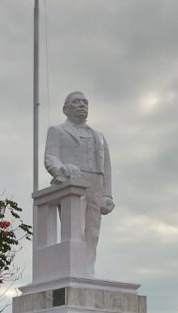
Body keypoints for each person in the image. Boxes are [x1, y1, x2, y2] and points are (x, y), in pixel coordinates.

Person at [44, 91, 114, 274]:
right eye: (76, 102)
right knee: (76, 231)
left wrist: (107, 194)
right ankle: (74, 270)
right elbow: (50, 158)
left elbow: (107, 166)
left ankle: (88, 271)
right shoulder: (57, 131)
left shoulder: (99, 136)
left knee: (93, 232)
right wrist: (62, 169)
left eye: (85, 102)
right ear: (65, 109)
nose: (82, 105)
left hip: (95, 184)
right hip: (73, 183)